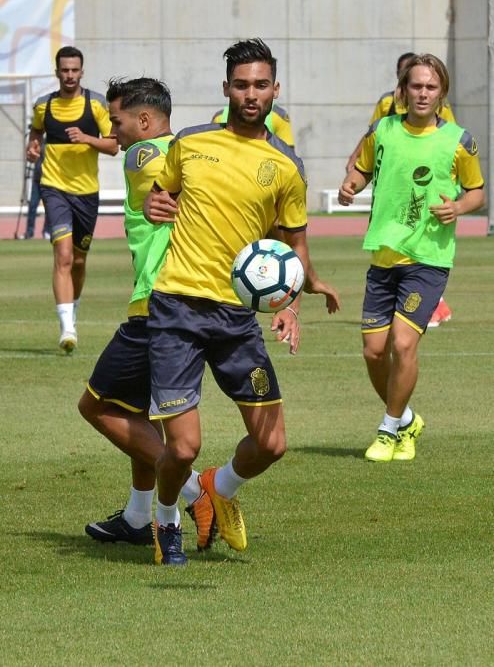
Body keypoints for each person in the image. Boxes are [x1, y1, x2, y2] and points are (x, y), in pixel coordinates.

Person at [144, 38, 309, 566]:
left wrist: (289, 304)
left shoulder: (284, 165)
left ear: (275, 90)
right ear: (226, 89)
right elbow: (158, 196)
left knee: (272, 444)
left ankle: (222, 486)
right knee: (183, 447)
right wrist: (153, 203)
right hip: (177, 308)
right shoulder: (190, 143)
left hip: (237, 317)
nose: (251, 94)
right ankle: (167, 516)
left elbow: (294, 242)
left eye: (261, 84)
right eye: (241, 84)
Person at [78, 77, 216, 551]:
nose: (111, 131)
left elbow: (156, 169)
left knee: (95, 406)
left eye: (116, 120)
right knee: (141, 415)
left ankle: (198, 490)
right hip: (171, 300)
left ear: (143, 120)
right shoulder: (179, 153)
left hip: (155, 305)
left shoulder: (145, 152)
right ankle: (139, 518)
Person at [338, 53, 484, 463]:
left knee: (403, 345)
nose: (423, 93)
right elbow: (363, 169)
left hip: (427, 257)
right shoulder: (383, 129)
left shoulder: (458, 141)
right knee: (372, 352)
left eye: (431, 87)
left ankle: (387, 429)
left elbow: (477, 192)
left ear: (442, 94)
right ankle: (406, 420)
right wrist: (352, 184)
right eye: (416, 86)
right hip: (383, 255)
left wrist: (458, 207)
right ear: (403, 90)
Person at [346, 51, 456, 328]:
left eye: (430, 86)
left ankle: (430, 303)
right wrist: (356, 167)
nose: (422, 92)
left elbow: (447, 142)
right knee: (376, 348)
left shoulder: (445, 118)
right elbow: (372, 135)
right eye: (412, 82)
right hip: (393, 190)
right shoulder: (386, 106)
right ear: (402, 82)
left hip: (423, 189)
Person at [26, 46, 118, 353]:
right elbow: (36, 131)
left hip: (87, 193)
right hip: (54, 188)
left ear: (81, 71)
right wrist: (33, 146)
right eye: (64, 70)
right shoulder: (43, 106)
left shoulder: (96, 105)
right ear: (57, 73)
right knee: (63, 255)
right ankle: (67, 328)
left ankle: (72, 308)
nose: (69, 75)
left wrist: (88, 138)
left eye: (74, 70)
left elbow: (113, 145)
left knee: (79, 260)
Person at [212, 102, 295, 147]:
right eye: (241, 86)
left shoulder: (278, 115)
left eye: (260, 86)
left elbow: (289, 159)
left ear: (275, 89)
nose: (251, 94)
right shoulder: (220, 116)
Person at [18, 140, 51, 240]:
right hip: (37, 180)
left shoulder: (50, 143)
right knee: (32, 206)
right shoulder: (38, 143)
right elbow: (30, 154)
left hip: (48, 181)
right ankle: (29, 232)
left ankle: (47, 231)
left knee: (49, 208)